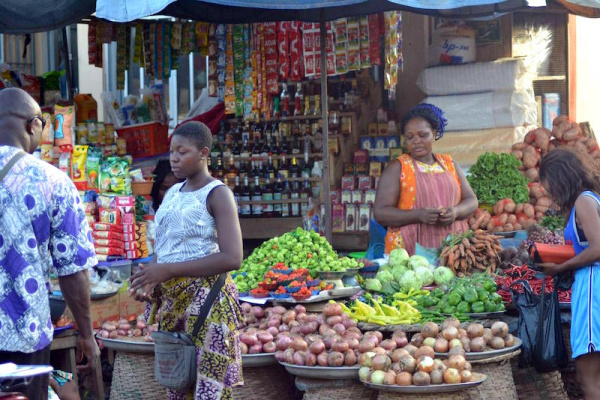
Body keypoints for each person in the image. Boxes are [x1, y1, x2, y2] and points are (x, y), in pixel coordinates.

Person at [129, 121, 243, 399]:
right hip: (173, 306)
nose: (174, 158)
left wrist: (167, 270)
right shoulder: (171, 195)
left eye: (183, 151)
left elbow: (233, 257)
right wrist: (150, 279)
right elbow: (166, 246)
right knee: (178, 386)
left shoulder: (218, 193)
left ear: (203, 153)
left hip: (208, 304)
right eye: (172, 152)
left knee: (209, 390)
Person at [0, 88, 99, 400]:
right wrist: (86, 334)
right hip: (22, 336)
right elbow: (73, 272)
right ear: (32, 125)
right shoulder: (51, 182)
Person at [374, 104, 478, 255]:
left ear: (434, 134)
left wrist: (455, 212)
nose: (416, 141)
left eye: (422, 135)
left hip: (453, 248)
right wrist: (418, 215)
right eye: (410, 137)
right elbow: (380, 213)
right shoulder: (397, 168)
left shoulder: (449, 164)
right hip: (409, 251)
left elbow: (472, 200)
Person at [537, 147, 600, 399]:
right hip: (590, 285)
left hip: (593, 289)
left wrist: (561, 267)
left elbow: (598, 248)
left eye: (549, 185)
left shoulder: (583, 201)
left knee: (587, 378)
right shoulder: (591, 197)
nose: (549, 193)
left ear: (561, 177)